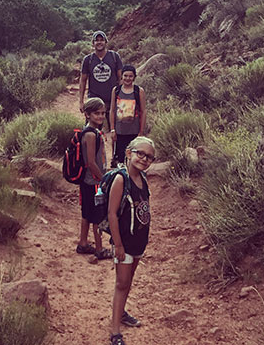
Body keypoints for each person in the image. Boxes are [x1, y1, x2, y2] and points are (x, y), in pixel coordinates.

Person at [108, 136, 156, 345]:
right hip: (124, 242)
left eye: (149, 157)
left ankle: (122, 313)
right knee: (122, 283)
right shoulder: (121, 179)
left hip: (139, 240)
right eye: (140, 154)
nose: (144, 159)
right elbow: (111, 213)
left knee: (129, 280)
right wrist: (118, 244)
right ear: (129, 153)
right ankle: (114, 330)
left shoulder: (143, 178)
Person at [76, 97, 112, 261]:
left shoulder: (92, 131)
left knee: (87, 213)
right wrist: (104, 179)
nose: (100, 116)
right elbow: (90, 162)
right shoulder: (90, 134)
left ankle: (83, 243)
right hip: (93, 181)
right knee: (97, 215)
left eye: (103, 113)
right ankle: (99, 248)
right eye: (96, 113)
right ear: (87, 114)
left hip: (88, 181)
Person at [79, 31, 122, 130]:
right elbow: (83, 81)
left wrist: (120, 96)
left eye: (101, 40)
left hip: (112, 99)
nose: (99, 42)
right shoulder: (88, 60)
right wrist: (81, 101)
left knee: (115, 130)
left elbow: (120, 78)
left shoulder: (114, 57)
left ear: (106, 42)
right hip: (94, 100)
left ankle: (114, 146)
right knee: (91, 131)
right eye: (96, 40)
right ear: (93, 43)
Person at [109, 65, 147, 166]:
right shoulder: (116, 90)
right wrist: (112, 129)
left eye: (130, 76)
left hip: (134, 131)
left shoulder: (139, 91)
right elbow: (112, 110)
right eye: (125, 76)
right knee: (120, 160)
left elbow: (143, 111)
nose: (127, 78)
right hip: (119, 131)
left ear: (134, 77)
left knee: (133, 159)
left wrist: (141, 132)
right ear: (121, 76)